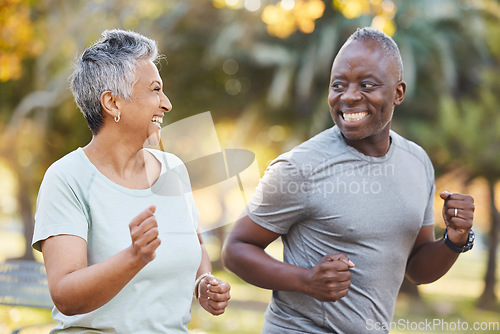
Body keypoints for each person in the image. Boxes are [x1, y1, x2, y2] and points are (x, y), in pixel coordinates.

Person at [222, 27, 475, 334]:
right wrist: (306, 280)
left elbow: (417, 269)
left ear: (398, 93)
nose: (349, 96)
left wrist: (455, 238)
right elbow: (236, 249)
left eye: (367, 85)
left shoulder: (417, 162)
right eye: (338, 85)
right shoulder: (300, 166)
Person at [32, 29, 230, 333]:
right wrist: (134, 257)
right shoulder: (67, 177)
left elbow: (196, 244)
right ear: (112, 103)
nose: (167, 104)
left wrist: (202, 282)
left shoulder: (173, 169)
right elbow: (65, 295)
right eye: (155, 90)